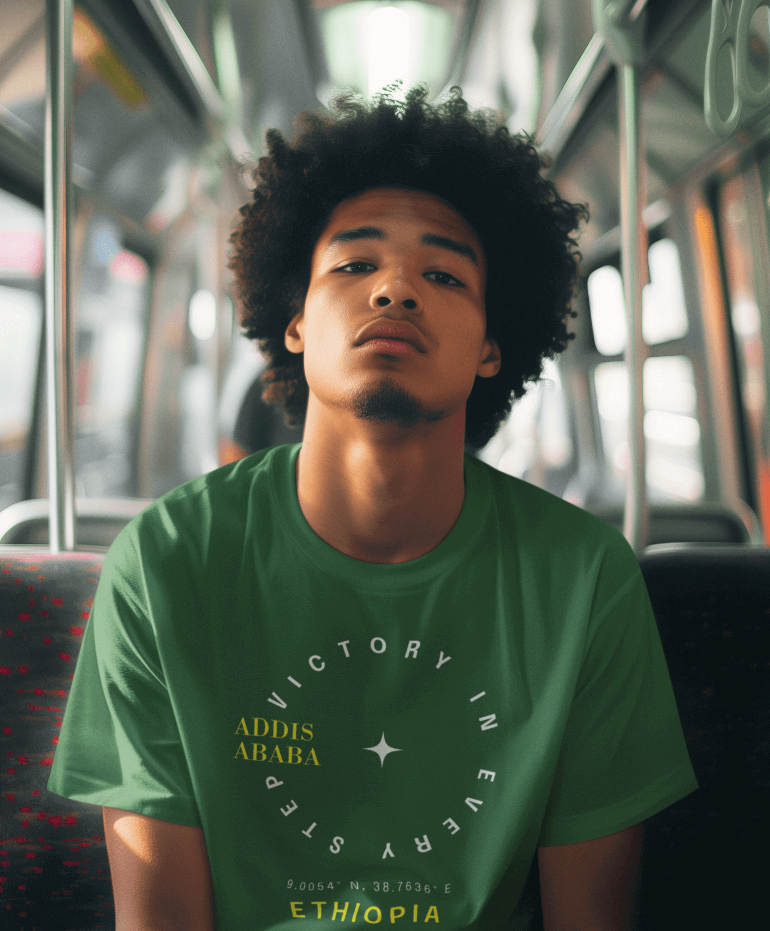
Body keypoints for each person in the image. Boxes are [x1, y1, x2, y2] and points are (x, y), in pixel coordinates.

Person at [48, 86, 698, 931]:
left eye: (442, 273)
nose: (394, 289)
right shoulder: (168, 561)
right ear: (294, 321)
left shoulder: (582, 580)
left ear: (493, 344)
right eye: (353, 266)